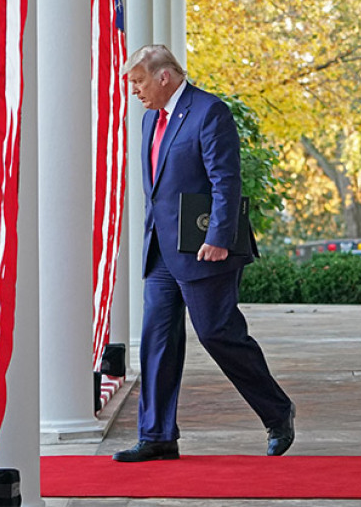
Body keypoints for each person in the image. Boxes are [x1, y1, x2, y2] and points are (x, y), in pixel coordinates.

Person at [112, 44, 295, 463]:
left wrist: (219, 235)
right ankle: (157, 435)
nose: (135, 91)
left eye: (138, 81)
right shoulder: (147, 121)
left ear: (163, 76)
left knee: (218, 333)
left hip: (203, 248)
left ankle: (278, 411)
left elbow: (225, 180)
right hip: (161, 250)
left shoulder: (209, 112)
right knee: (157, 340)